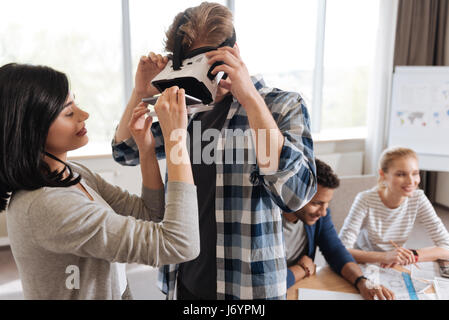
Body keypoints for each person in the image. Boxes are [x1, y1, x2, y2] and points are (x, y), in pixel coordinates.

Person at [112, 2, 316, 299]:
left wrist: (249, 98)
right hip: (184, 279)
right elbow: (125, 151)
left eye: (211, 63)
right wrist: (140, 94)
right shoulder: (186, 109)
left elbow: (295, 195)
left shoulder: (282, 106)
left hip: (249, 287)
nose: (206, 76)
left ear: (234, 52)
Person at [0, 63, 199, 299]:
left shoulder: (73, 173)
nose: (84, 115)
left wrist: (146, 149)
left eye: (76, 103)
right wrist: (176, 139)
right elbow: (180, 245)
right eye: (68, 112)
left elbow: (149, 214)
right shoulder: (47, 205)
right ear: (32, 129)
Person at [283, 159, 395, 300]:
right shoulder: (264, 222)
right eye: (317, 203)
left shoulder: (319, 216)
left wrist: (361, 281)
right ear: (294, 194)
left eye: (327, 204)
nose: (323, 212)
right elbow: (261, 283)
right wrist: (301, 270)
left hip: (298, 288)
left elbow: (335, 250)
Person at [339, 146, 449, 268]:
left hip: (397, 264)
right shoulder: (365, 200)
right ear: (383, 174)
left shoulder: (418, 198)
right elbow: (341, 249)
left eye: (415, 173)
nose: (411, 181)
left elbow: (446, 245)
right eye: (401, 174)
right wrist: (385, 257)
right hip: (365, 263)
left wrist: (412, 255)